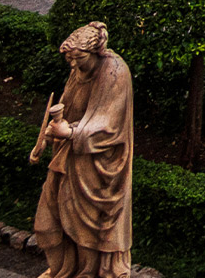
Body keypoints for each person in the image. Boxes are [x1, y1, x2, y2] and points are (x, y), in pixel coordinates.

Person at [30, 22, 133, 277]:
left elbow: (109, 124)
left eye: (79, 59)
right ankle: (62, 271)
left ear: (96, 52)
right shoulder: (78, 70)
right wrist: (50, 134)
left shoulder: (115, 72)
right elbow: (67, 103)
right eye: (70, 60)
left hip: (98, 167)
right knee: (46, 225)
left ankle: (87, 273)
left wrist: (70, 133)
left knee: (90, 233)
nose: (73, 65)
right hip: (68, 159)